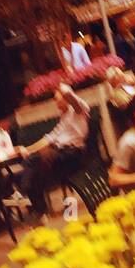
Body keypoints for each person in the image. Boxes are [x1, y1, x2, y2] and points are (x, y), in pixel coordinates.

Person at [18, 83, 91, 217]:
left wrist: (64, 90)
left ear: (65, 99)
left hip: (74, 155)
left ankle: (26, 197)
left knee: (34, 164)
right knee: (33, 167)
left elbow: (72, 98)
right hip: (61, 155)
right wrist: (27, 150)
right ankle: (38, 208)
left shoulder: (79, 110)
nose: (55, 102)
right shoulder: (64, 118)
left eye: (57, 99)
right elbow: (49, 138)